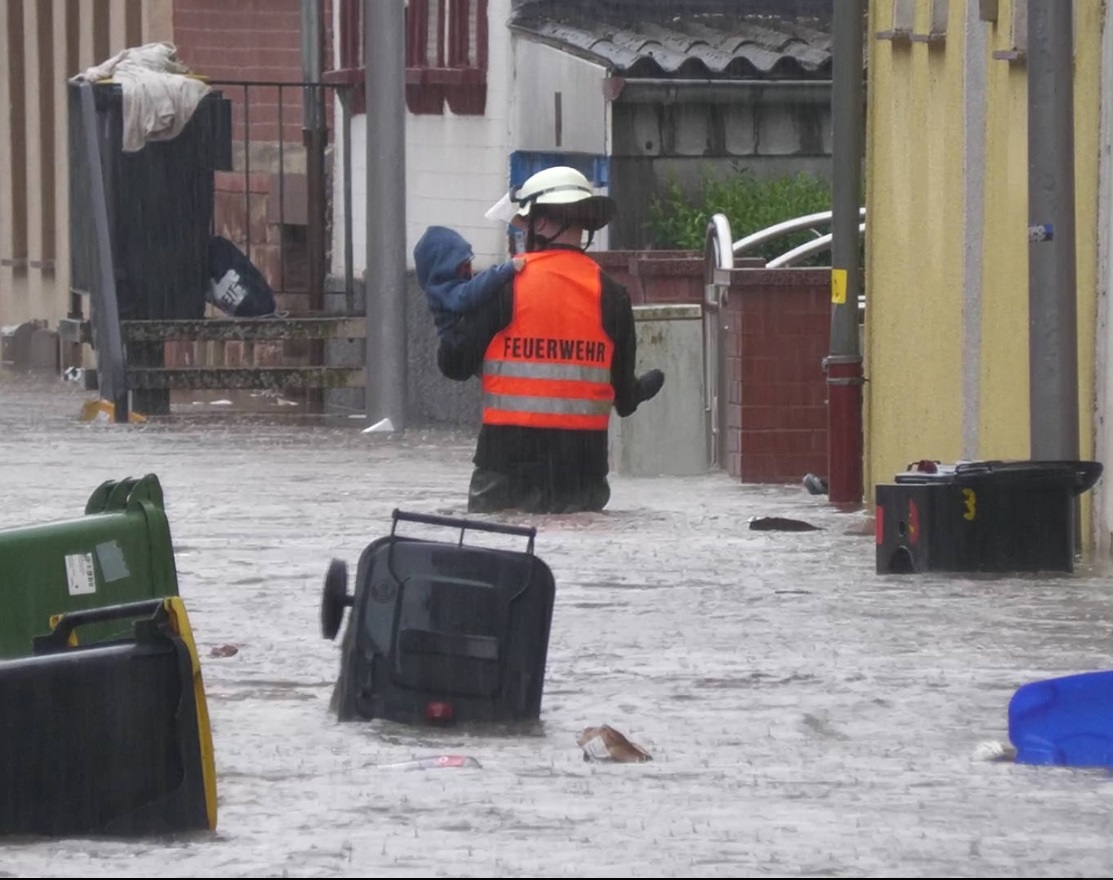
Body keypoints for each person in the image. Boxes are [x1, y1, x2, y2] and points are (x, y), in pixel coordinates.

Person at [436, 165, 665, 514]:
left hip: (505, 471)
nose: (521, 233)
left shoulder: (505, 285)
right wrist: (641, 388)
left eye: (524, 224)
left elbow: (453, 364)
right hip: (582, 475)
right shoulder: (612, 296)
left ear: (541, 224)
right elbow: (624, 398)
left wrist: (445, 310)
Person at [413, 225, 525, 339]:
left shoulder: (455, 286)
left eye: (469, 263)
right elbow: (467, 295)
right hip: (454, 348)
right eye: (463, 264)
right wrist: (505, 270)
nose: (469, 269)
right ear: (444, 267)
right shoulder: (441, 292)